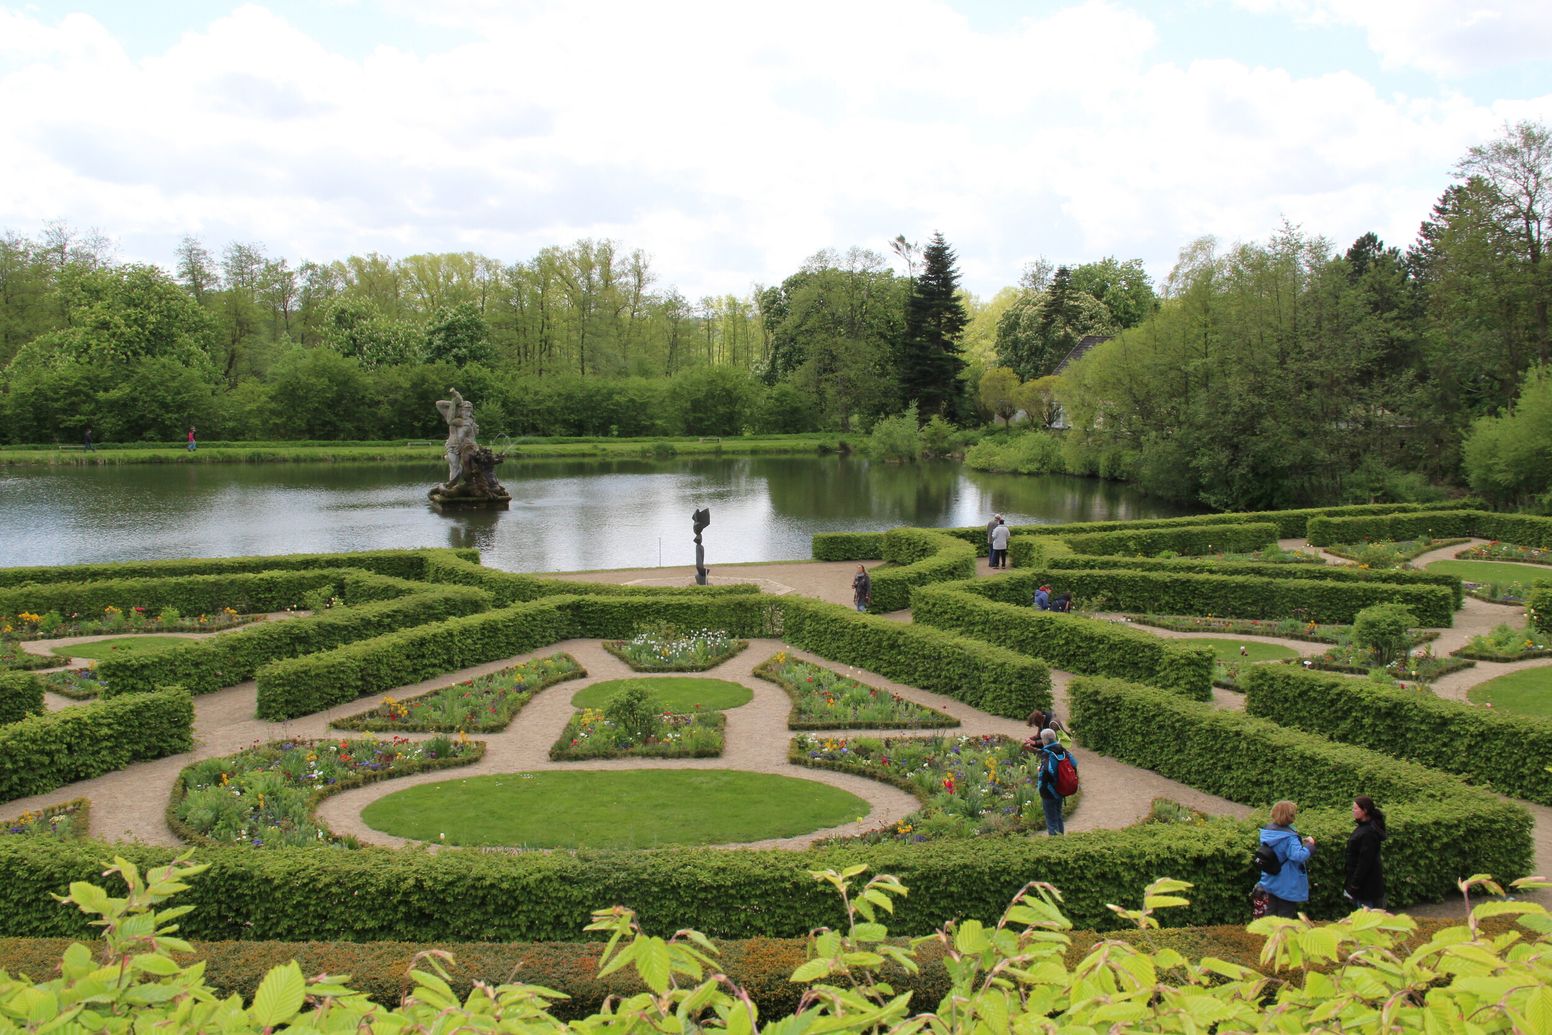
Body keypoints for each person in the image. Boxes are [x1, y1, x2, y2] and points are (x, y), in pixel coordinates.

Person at [1256, 800, 1316, 918]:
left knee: (1270, 914)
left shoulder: (1268, 831)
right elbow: (1298, 856)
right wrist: (1310, 846)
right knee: (1285, 918)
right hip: (1287, 882)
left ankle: (1268, 936)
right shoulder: (1289, 837)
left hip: (1270, 878)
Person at [1345, 795, 1387, 909]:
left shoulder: (1368, 833)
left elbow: (1364, 861)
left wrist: (1354, 884)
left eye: (1355, 809)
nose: (1353, 811)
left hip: (1366, 887)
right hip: (1365, 884)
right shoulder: (1366, 828)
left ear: (1365, 811)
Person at [1035, 728, 1077, 835]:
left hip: (1049, 791)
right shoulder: (1063, 750)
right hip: (1061, 789)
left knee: (1051, 820)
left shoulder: (1047, 754)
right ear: (1054, 738)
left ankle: (1055, 844)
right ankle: (1061, 840)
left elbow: (1048, 771)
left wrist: (1040, 770)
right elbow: (1074, 763)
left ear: (1044, 741)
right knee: (1058, 816)